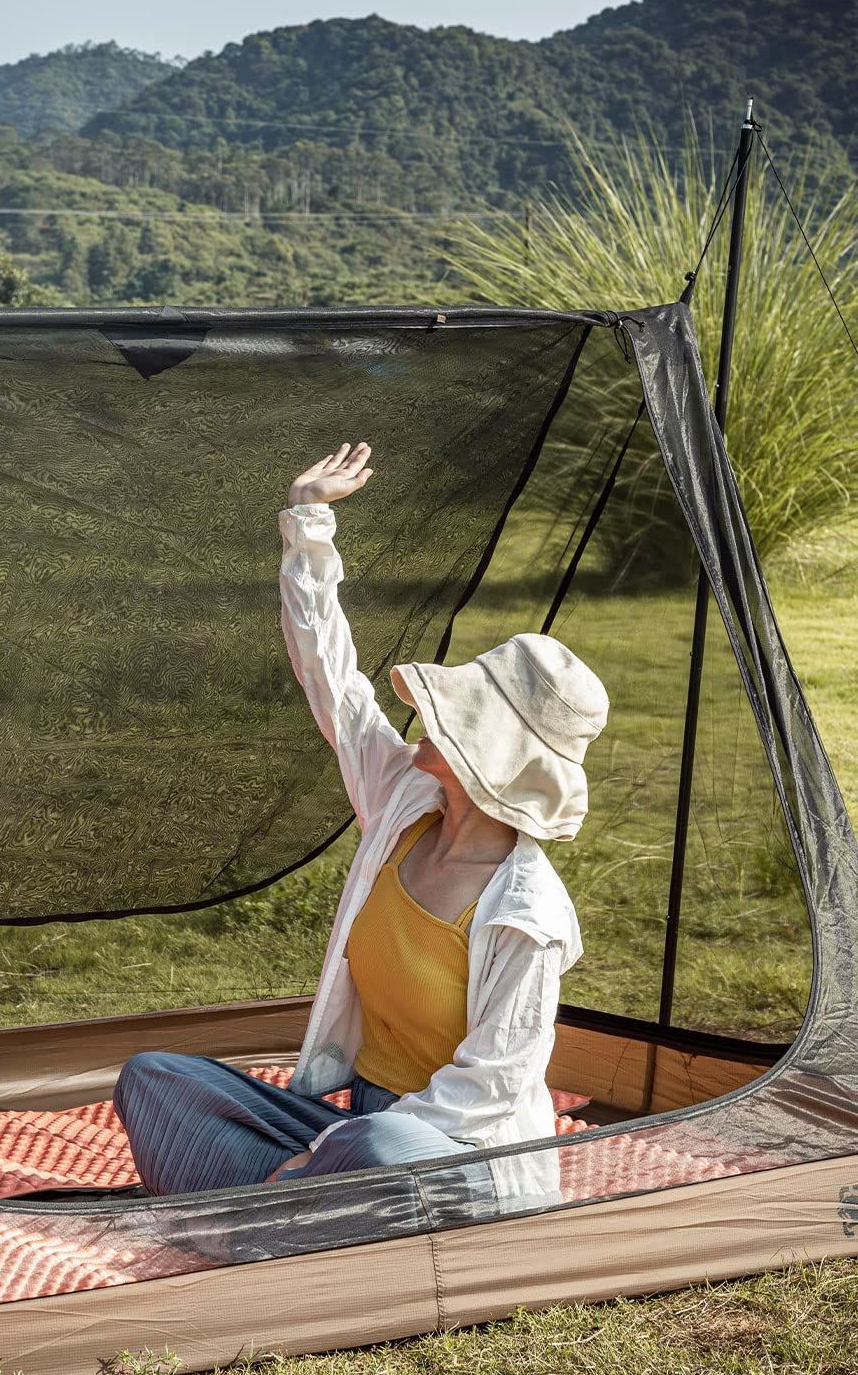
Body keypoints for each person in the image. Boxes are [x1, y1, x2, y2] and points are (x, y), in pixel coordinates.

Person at [114, 441, 609, 1211]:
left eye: (458, 716)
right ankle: (295, 1207)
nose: (428, 716)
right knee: (155, 1080)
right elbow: (332, 680)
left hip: (454, 1152)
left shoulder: (527, 914)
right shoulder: (404, 799)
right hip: (353, 1131)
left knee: (379, 1151)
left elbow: (491, 1089)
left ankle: (271, 1204)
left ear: (490, 756)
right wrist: (309, 524)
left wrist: (336, 1149)